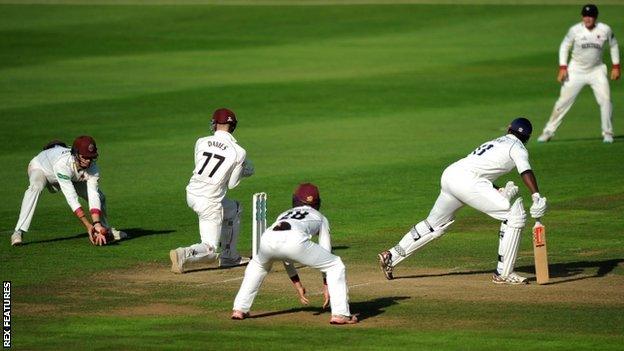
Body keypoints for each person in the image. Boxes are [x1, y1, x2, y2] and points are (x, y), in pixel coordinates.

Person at [378, 118, 548, 285]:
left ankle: (391, 255)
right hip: (468, 182)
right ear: (527, 138)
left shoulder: (495, 142)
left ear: (509, 129)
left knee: (434, 225)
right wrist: (536, 195)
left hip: (452, 174)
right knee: (513, 216)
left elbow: (478, 170)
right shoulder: (518, 148)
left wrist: (497, 190)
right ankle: (503, 273)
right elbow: (525, 170)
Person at [231, 183, 358, 325]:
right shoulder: (320, 217)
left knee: (257, 266)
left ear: (295, 200)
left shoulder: (284, 214)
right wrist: (326, 284)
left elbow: (285, 256)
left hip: (267, 238)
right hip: (295, 240)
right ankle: (341, 313)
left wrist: (298, 285)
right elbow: (326, 249)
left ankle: (239, 309)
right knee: (335, 265)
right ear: (317, 203)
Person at [170, 108, 254, 273]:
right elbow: (232, 184)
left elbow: (199, 166)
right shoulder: (239, 152)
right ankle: (184, 253)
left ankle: (230, 256)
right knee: (210, 247)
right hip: (210, 201)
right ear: (233, 126)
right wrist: (244, 170)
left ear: (215, 124)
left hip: (192, 193)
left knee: (234, 209)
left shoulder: (201, 141)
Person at [11, 136, 126, 246]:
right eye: (85, 157)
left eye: (91, 157)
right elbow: (71, 198)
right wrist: (87, 225)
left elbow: (93, 195)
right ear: (75, 155)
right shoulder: (62, 164)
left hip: (72, 175)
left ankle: (104, 229)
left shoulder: (93, 168)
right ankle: (18, 231)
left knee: (100, 197)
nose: (88, 161)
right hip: (41, 169)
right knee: (35, 187)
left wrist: (96, 225)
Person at [538, 4, 620, 143]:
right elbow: (564, 46)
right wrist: (563, 67)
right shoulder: (575, 30)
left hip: (597, 70)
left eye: (591, 16)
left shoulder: (605, 29)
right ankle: (548, 132)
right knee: (563, 102)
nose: (588, 19)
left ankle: (608, 133)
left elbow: (614, 45)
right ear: (582, 16)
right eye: (585, 15)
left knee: (606, 100)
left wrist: (616, 66)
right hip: (576, 71)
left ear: (595, 17)